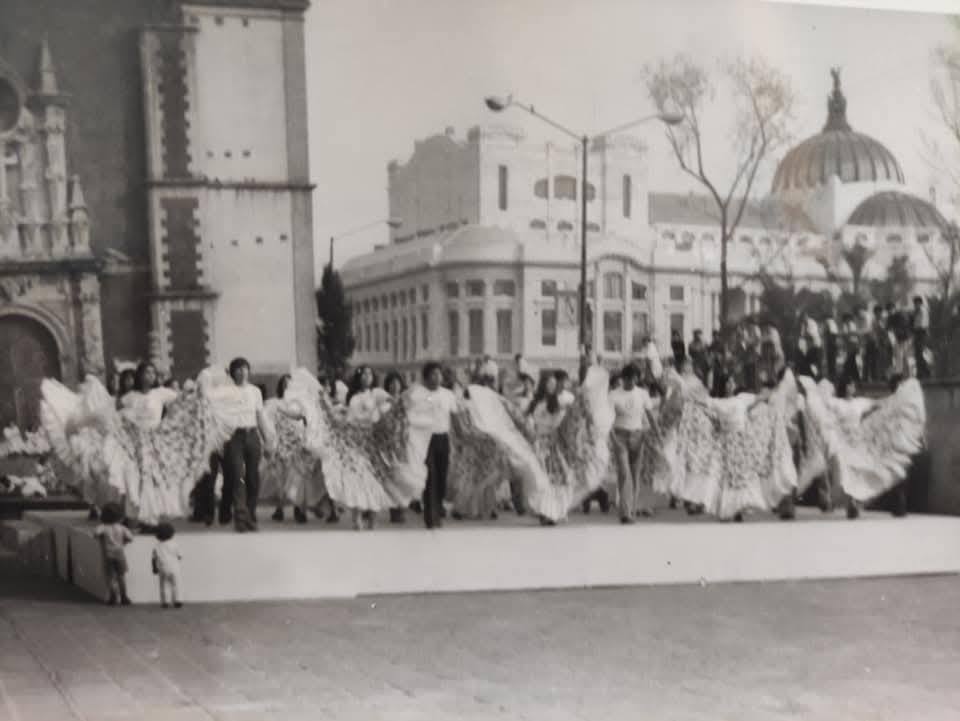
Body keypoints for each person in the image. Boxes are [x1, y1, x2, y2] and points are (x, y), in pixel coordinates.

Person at [220, 357, 268, 533]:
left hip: (252, 435)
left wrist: (267, 438)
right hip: (234, 438)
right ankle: (240, 518)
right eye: (238, 369)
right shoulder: (226, 392)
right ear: (233, 373)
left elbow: (260, 416)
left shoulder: (255, 392)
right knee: (238, 476)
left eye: (245, 368)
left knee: (253, 478)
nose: (242, 372)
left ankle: (251, 515)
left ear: (249, 371)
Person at [409, 362, 458, 529]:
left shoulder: (448, 395)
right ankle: (430, 516)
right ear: (426, 377)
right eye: (433, 374)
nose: (437, 378)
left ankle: (437, 509)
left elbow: (455, 417)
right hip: (425, 439)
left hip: (443, 438)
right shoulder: (417, 394)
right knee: (430, 475)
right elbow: (411, 415)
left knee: (442, 476)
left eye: (439, 374)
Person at [609, 364, 653, 523]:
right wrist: (613, 439)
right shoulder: (614, 395)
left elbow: (649, 415)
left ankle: (631, 510)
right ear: (623, 379)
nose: (632, 381)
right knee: (624, 473)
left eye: (635, 378)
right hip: (620, 435)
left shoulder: (642, 394)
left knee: (634, 475)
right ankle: (625, 513)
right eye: (629, 378)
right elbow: (607, 419)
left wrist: (656, 433)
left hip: (638, 435)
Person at [95, 502, 134, 606]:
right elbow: (131, 537)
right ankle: (124, 596)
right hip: (120, 554)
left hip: (108, 554)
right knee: (121, 576)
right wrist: (124, 542)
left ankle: (113, 597)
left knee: (110, 577)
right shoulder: (122, 528)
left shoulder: (103, 527)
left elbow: (96, 533)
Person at [152, 521, 183, 609]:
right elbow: (179, 556)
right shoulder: (175, 544)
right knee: (176, 584)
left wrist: (154, 568)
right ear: (172, 533)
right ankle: (178, 600)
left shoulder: (157, 546)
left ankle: (165, 602)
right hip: (174, 567)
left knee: (164, 585)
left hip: (162, 568)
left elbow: (154, 558)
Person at [913, 296, 930, 379]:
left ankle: (926, 371)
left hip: (922, 333)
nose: (915, 305)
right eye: (915, 303)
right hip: (917, 333)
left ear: (920, 303)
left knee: (921, 353)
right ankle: (921, 372)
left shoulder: (923, 311)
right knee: (918, 353)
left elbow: (922, 325)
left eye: (917, 303)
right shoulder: (916, 312)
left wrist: (916, 330)